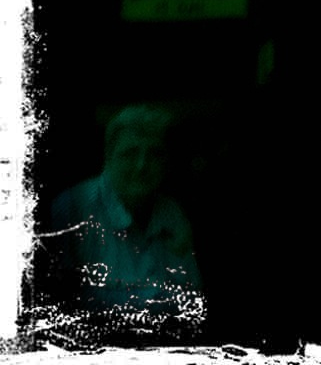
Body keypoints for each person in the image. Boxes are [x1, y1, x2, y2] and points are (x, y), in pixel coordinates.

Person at [44, 105, 205, 334]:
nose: (141, 166)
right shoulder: (73, 208)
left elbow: (192, 297)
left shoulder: (172, 214)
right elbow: (59, 305)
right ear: (108, 156)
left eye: (154, 154)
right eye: (130, 153)